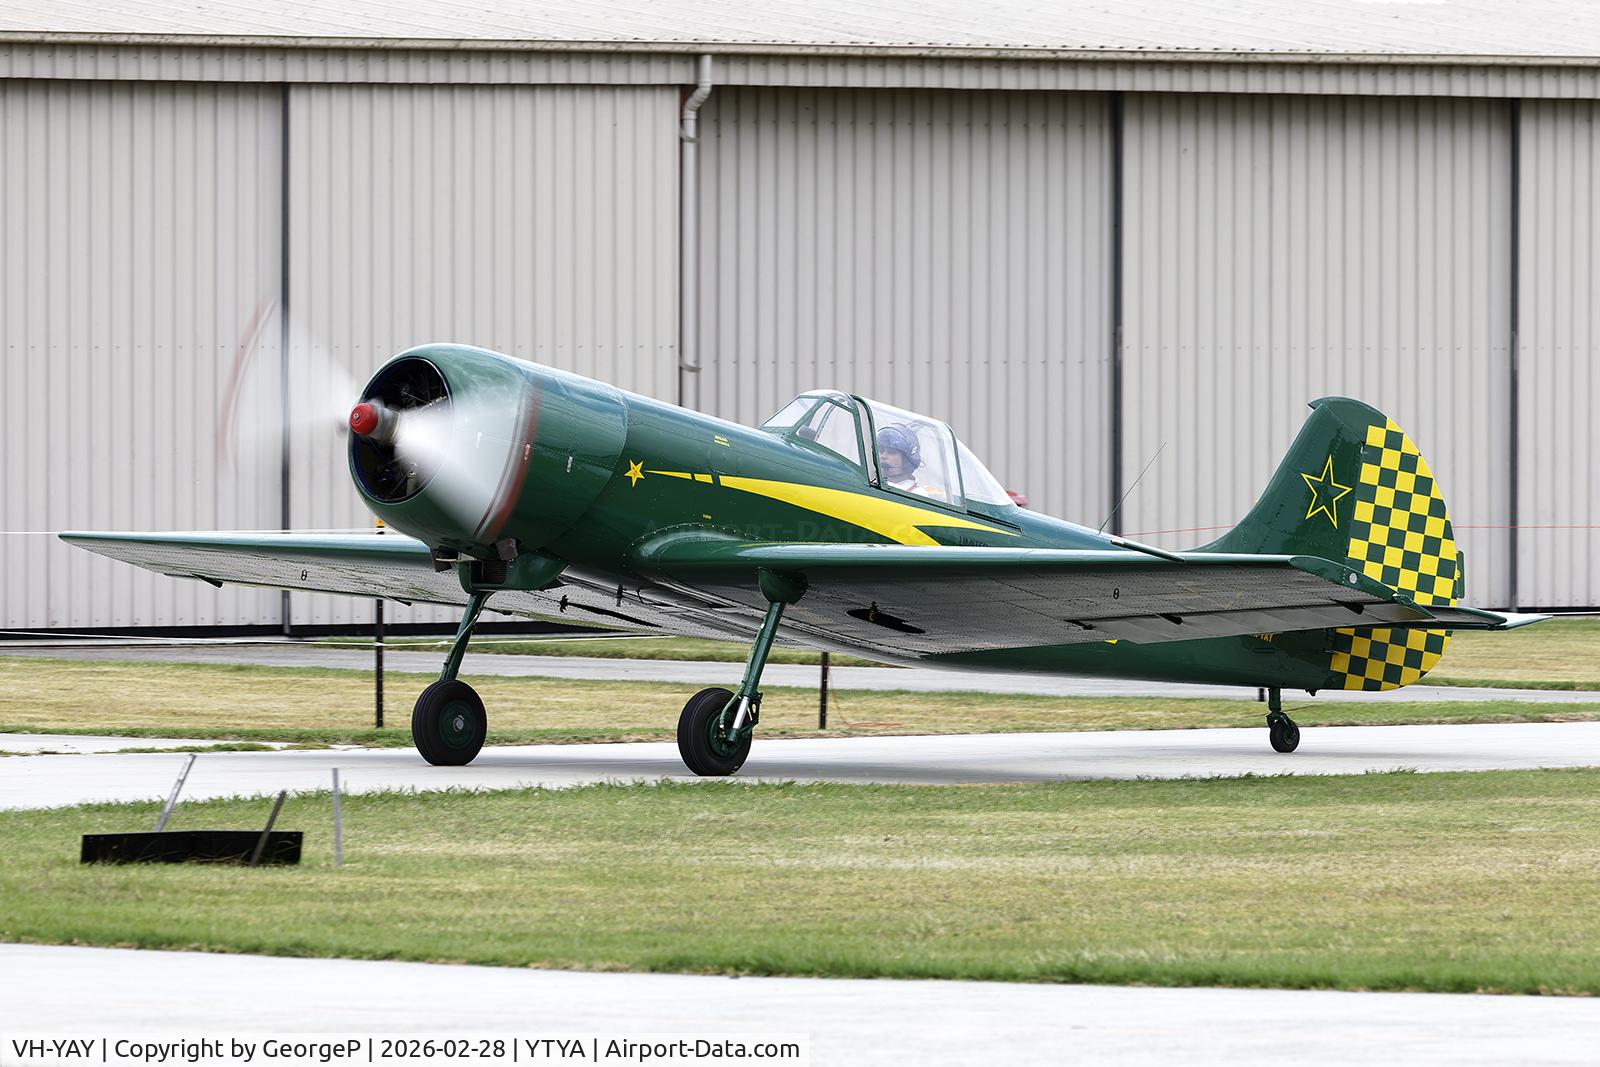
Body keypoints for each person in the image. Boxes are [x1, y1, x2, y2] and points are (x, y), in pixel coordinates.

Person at [877, 424, 942, 498]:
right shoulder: (871, 482)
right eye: (881, 450)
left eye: (891, 452)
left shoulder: (917, 494)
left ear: (906, 460)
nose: (883, 456)